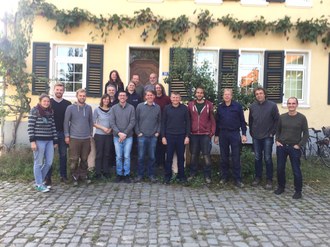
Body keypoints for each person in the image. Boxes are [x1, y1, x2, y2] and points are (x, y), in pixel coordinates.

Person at [274, 97, 309, 199]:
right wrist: (277, 140)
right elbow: (277, 130)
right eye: (289, 103)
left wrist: (299, 144)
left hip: (295, 147)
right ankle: (281, 187)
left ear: (297, 105)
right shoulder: (282, 117)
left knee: (296, 170)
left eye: (293, 103)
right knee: (280, 168)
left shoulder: (302, 118)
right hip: (282, 146)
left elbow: (306, 134)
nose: (291, 105)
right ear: (287, 105)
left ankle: (298, 191)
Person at [214, 88, 247, 188]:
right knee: (224, 157)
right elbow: (217, 123)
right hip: (223, 134)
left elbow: (242, 121)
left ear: (231, 96)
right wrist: (216, 135)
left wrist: (244, 134)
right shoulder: (220, 107)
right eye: (225, 94)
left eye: (229, 94)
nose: (227, 96)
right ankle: (224, 177)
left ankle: (238, 179)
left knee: (236, 157)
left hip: (234, 134)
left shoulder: (237, 106)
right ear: (223, 96)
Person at [249, 87, 279, 190]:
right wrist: (251, 133)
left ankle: (269, 179)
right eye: (257, 94)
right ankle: (258, 177)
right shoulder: (252, 106)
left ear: (264, 94)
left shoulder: (272, 106)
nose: (259, 95)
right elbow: (251, 120)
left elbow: (277, 120)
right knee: (257, 158)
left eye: (261, 93)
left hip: (267, 136)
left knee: (267, 158)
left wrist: (272, 133)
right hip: (256, 136)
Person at [28, 93, 58, 193]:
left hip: (49, 140)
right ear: (40, 101)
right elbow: (30, 127)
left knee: (49, 162)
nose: (46, 103)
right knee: (38, 163)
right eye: (44, 101)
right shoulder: (34, 111)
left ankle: (38, 182)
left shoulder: (50, 111)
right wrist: (32, 141)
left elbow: (53, 126)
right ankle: (39, 184)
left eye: (48, 101)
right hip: (38, 140)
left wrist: (55, 140)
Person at [64, 89, 93, 186]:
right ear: (77, 96)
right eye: (80, 95)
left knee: (84, 159)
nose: (82, 97)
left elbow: (90, 122)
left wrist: (90, 134)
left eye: (84, 96)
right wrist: (67, 135)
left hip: (86, 138)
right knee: (74, 159)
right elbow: (66, 122)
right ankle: (74, 177)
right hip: (74, 138)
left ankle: (83, 175)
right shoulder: (70, 108)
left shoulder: (88, 108)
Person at [44, 83, 71, 185]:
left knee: (63, 155)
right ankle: (48, 177)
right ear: (54, 90)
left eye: (61, 90)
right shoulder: (49, 102)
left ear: (63, 91)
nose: (59, 91)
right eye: (57, 89)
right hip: (50, 134)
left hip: (63, 133)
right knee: (49, 156)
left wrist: (68, 134)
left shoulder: (68, 104)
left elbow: (70, 120)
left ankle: (63, 176)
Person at [187, 86, 216, 184]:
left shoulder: (209, 105)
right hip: (194, 134)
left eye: (201, 93)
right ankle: (192, 174)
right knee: (194, 155)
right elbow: (188, 120)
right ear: (195, 94)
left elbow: (212, 120)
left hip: (205, 134)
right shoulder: (190, 105)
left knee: (206, 156)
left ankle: (207, 175)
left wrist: (211, 132)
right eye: (197, 92)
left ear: (203, 94)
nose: (199, 94)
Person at [161, 92, 190, 184]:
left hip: (181, 136)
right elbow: (163, 123)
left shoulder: (184, 109)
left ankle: (181, 177)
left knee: (181, 158)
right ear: (171, 98)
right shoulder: (166, 108)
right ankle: (167, 177)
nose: (175, 99)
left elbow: (188, 123)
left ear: (180, 98)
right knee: (169, 158)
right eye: (173, 97)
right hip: (169, 136)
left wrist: (187, 136)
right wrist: (163, 137)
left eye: (177, 97)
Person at [135, 90, 161, 183]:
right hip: (142, 136)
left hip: (153, 136)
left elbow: (159, 121)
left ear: (154, 96)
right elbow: (136, 120)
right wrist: (138, 132)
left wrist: (158, 132)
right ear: (145, 96)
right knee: (141, 157)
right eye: (148, 95)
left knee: (152, 157)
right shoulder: (140, 106)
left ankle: (151, 175)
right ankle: (140, 175)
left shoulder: (157, 107)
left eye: (151, 95)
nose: (150, 96)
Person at [109, 91, 136, 183]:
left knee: (127, 156)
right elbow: (112, 122)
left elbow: (132, 122)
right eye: (120, 95)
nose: (122, 97)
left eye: (124, 95)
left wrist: (124, 133)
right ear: (118, 97)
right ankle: (119, 174)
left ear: (127, 97)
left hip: (128, 137)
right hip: (117, 137)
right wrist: (119, 133)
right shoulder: (113, 108)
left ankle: (126, 175)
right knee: (119, 156)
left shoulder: (131, 108)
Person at [93, 94, 113, 179]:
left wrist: (110, 129)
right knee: (99, 154)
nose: (106, 101)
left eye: (108, 99)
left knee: (107, 154)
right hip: (99, 135)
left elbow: (114, 121)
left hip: (109, 135)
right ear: (102, 100)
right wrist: (103, 128)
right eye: (105, 99)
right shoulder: (97, 110)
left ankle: (106, 171)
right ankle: (98, 172)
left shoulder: (112, 110)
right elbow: (93, 123)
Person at [154, 83, 171, 168]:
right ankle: (157, 162)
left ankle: (163, 163)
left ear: (162, 89)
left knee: (163, 144)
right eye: (156, 88)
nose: (158, 89)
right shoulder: (153, 98)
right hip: (154, 123)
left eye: (159, 87)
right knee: (156, 144)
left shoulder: (167, 98)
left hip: (165, 123)